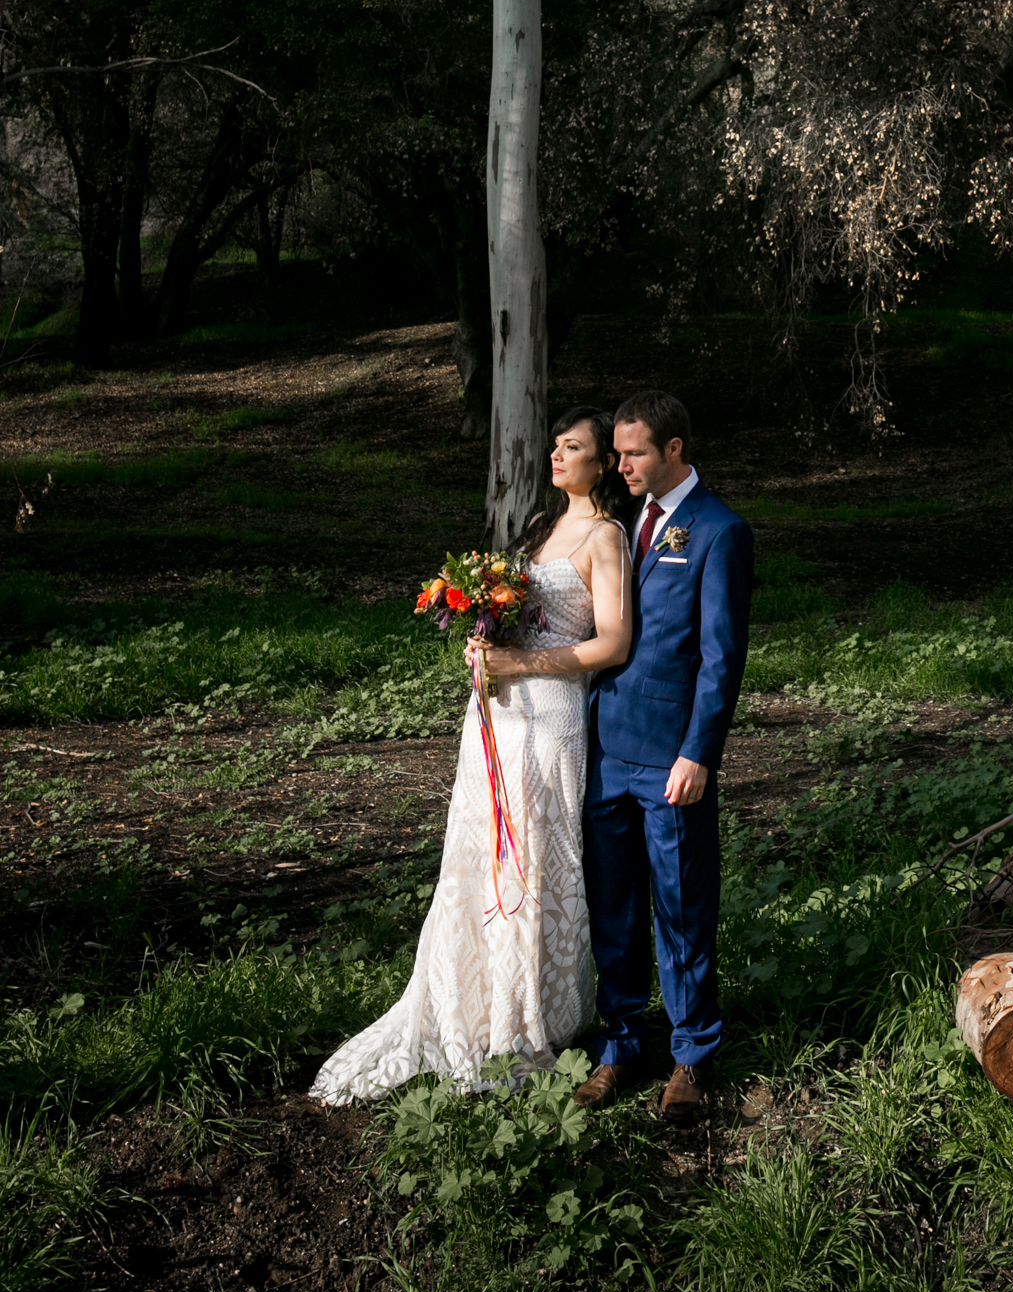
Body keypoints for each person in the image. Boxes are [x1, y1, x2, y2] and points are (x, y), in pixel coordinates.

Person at [309, 409, 633, 1100]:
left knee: (538, 860)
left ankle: (533, 1013)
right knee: (481, 854)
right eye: (554, 445)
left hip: (549, 717)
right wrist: (481, 642)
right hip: (497, 715)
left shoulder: (605, 538)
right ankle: (479, 1002)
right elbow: (512, 614)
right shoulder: (542, 530)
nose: (554, 455)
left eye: (571, 448)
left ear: (603, 464)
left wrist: (521, 662)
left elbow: (613, 644)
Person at [574, 389, 754, 1124]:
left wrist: (698, 754)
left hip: (670, 759)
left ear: (675, 448)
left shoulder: (718, 531)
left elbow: (721, 658)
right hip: (605, 749)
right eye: (617, 453)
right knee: (613, 910)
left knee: (680, 907)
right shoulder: (621, 528)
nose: (621, 466)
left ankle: (690, 1057)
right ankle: (619, 1047)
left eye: (635, 453)